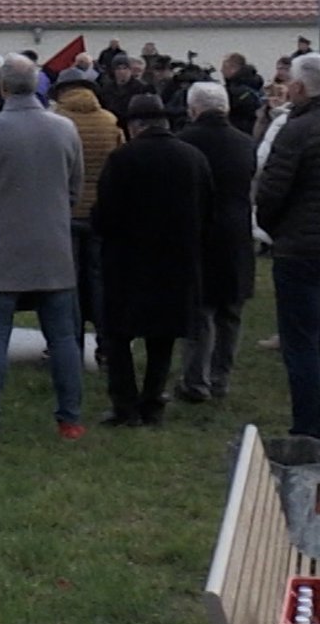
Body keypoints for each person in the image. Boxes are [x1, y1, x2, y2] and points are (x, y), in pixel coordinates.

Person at [0, 54, 85, 442]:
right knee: (63, 336)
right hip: (54, 246)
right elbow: (74, 189)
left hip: (1, 244)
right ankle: (70, 420)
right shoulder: (65, 129)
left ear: (1, 87)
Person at [92, 94, 216, 426]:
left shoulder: (122, 159)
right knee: (162, 337)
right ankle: (152, 403)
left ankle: (125, 406)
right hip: (177, 262)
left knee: (118, 336)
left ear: (134, 125)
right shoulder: (193, 158)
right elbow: (208, 212)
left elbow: (103, 217)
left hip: (127, 262)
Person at [175, 82, 258, 403]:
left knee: (201, 311)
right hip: (237, 232)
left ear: (194, 109)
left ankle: (196, 380)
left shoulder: (185, 143)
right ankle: (221, 378)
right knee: (231, 311)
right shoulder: (245, 143)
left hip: (200, 233)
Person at [258, 53, 320, 437]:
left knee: (302, 342)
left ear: (297, 87)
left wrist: (272, 229)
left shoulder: (296, 130)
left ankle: (309, 427)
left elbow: (271, 191)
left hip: (300, 249)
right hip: (302, 241)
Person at [52, 67, 123, 346]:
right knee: (99, 278)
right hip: (100, 211)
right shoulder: (109, 120)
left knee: (67, 280)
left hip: (65, 210)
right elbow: (120, 162)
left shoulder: (56, 120)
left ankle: (70, 340)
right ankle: (106, 343)